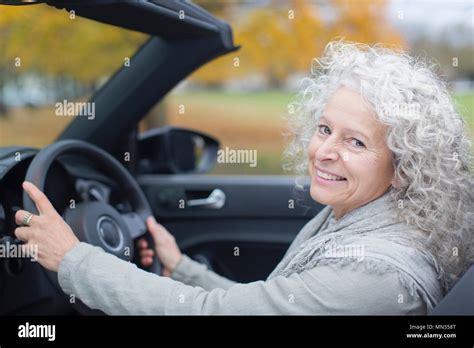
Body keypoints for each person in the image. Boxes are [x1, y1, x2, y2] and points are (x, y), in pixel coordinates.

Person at [14, 41, 473, 315]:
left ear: (402, 167)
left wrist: (74, 259)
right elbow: (269, 303)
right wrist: (181, 267)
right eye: (325, 129)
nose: (325, 152)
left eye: (356, 143)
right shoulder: (360, 214)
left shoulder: (374, 274)